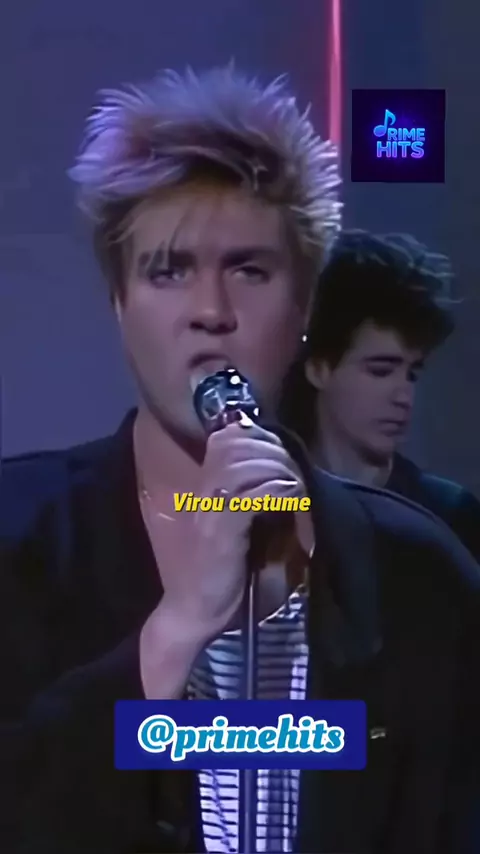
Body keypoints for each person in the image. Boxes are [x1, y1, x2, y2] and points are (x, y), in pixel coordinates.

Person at [0, 69, 479, 854]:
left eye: (250, 270)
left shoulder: (421, 576)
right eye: (169, 270)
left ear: (305, 308)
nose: (211, 312)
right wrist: (176, 629)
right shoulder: (18, 542)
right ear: (119, 303)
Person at [283, 228, 480, 559]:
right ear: (319, 369)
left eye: (411, 374)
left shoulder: (451, 515)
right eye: (380, 371)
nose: (404, 397)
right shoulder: (271, 506)